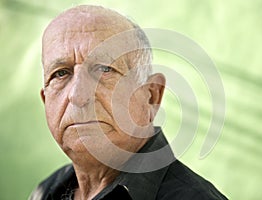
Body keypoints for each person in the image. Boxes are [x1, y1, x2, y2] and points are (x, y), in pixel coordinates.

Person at [30, 5, 227, 200]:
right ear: (46, 100)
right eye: (61, 73)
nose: (78, 95)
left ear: (151, 96)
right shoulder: (46, 191)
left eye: (104, 69)